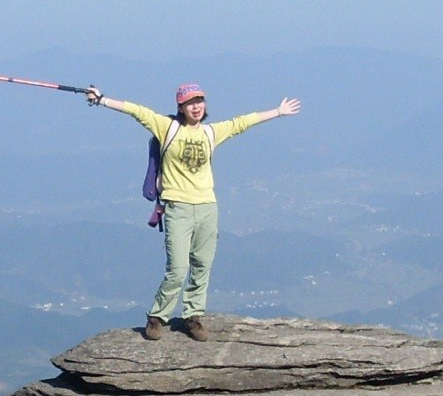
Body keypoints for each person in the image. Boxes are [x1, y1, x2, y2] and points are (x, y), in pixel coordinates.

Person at [83, 82, 301, 341]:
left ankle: (193, 317)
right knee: (177, 267)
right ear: (180, 106)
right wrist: (102, 100)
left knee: (202, 265)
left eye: (199, 101)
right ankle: (157, 317)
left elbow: (242, 123)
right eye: (190, 102)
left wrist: (277, 111)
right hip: (177, 207)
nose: (196, 106)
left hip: (207, 205)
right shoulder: (167, 128)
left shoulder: (211, 132)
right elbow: (137, 111)